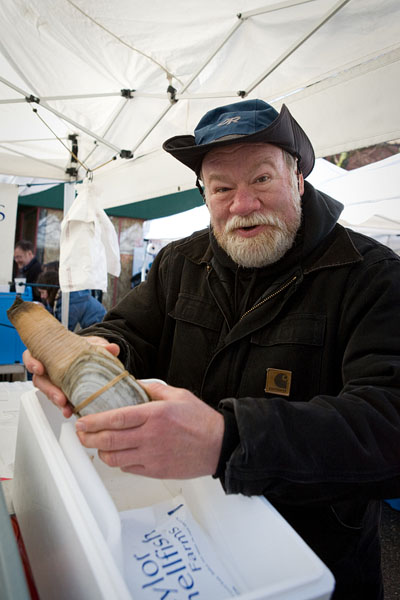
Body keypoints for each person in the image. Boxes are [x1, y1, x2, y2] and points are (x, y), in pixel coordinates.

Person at [23, 99, 400, 600]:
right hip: (185, 520)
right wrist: (88, 351)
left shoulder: (372, 276)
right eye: (222, 188)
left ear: (299, 179)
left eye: (262, 179)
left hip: (314, 557)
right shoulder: (182, 261)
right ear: (206, 195)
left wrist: (228, 439)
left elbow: (388, 420)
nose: (242, 205)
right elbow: (130, 333)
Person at [36, 270, 106, 331]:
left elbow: (63, 329)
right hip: (95, 327)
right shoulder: (65, 296)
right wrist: (45, 309)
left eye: (42, 292)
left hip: (100, 330)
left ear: (51, 290)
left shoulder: (71, 301)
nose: (42, 296)